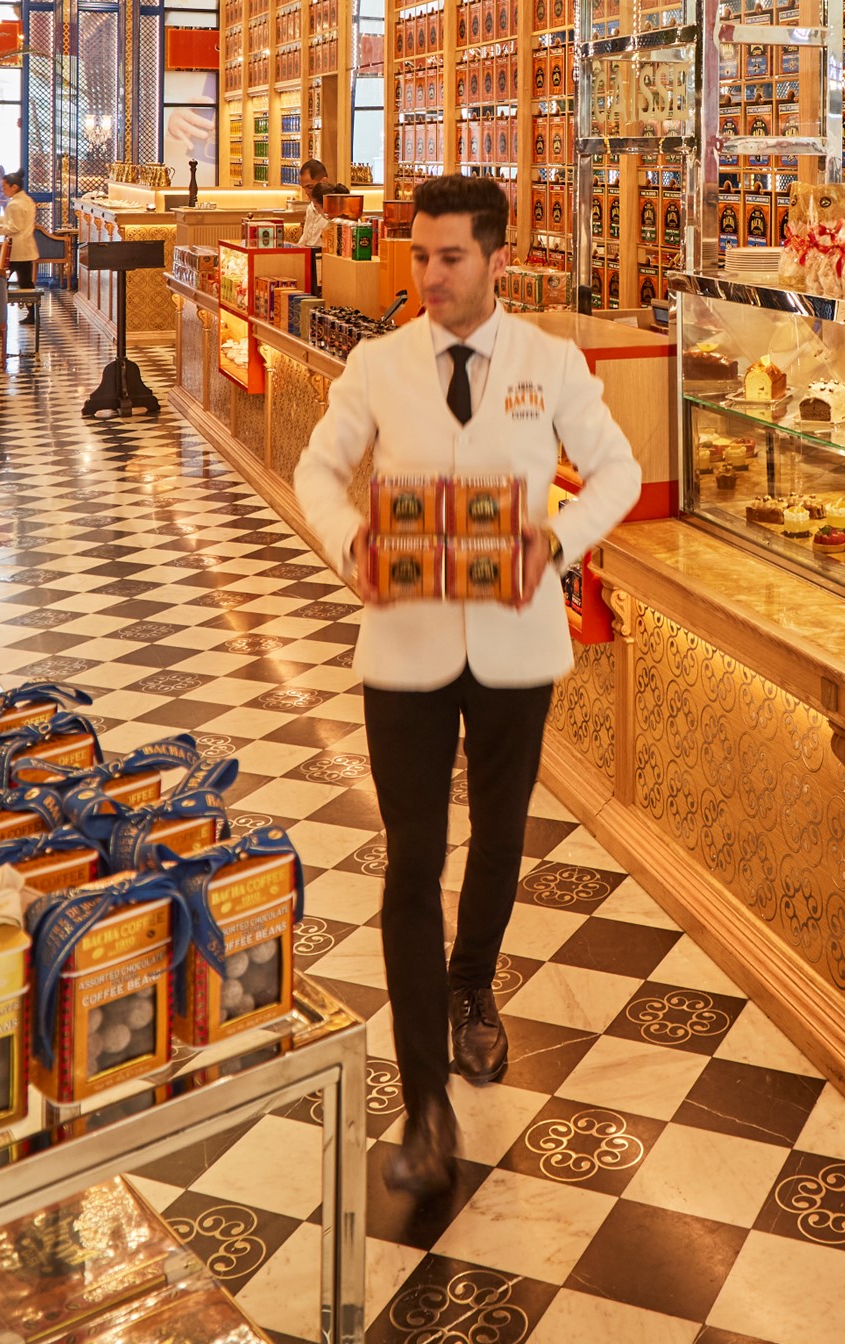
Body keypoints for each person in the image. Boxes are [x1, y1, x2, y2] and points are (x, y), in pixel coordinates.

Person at [291, 175, 641, 1198]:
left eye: (450, 258)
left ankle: (471, 988)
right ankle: (424, 1105)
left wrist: (558, 539)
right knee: (411, 861)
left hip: (513, 642)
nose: (430, 276)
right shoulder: (378, 363)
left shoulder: (551, 362)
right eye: (420, 257)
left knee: (496, 838)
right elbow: (319, 473)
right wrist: (350, 535)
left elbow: (615, 471)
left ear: (497, 259)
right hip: (402, 647)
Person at [0, 170, 41, 292]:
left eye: (4, 187)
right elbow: (14, 219)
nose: (2, 190)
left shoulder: (14, 204)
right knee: (26, 282)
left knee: (1, 280)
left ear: (14, 187)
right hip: (26, 248)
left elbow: (14, 227)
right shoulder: (27, 200)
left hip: (15, 249)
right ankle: (32, 309)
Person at [296, 157, 341, 251]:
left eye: (310, 187)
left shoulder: (337, 210)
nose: (307, 192)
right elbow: (305, 239)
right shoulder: (310, 208)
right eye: (304, 188)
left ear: (323, 181)